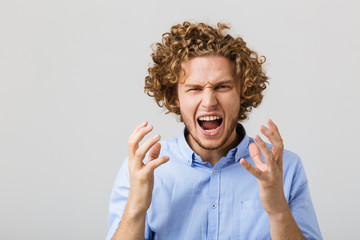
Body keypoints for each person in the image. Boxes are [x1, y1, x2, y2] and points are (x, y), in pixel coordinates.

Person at [106, 21, 322, 240]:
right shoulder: (143, 170)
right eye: (194, 89)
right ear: (175, 97)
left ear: (242, 93)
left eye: (222, 87)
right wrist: (136, 208)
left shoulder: (285, 168)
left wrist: (278, 210)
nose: (209, 102)